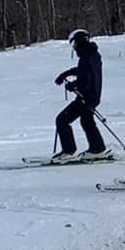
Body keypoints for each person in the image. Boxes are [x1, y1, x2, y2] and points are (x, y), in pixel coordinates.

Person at [54, 29, 106, 158]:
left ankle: (69, 151)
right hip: (91, 96)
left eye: (74, 43)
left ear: (79, 42)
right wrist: (66, 74)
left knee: (62, 120)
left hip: (86, 97)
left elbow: (86, 79)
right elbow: (84, 72)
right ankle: (98, 149)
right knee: (87, 121)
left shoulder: (87, 55)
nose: (74, 47)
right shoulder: (91, 54)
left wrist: (74, 85)